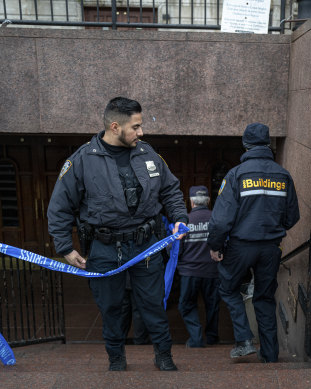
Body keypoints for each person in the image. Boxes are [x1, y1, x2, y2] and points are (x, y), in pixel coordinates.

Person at [47, 96, 188, 372]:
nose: (141, 132)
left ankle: (164, 356)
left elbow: (170, 191)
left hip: (146, 245)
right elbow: (60, 207)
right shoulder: (83, 160)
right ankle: (116, 360)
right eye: (135, 127)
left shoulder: (149, 154)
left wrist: (179, 219)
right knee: (111, 308)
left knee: (153, 306)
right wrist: (65, 247)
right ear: (115, 126)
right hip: (104, 248)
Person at [207, 122, 300, 363]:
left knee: (227, 288)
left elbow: (219, 221)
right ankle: (269, 355)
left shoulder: (236, 175)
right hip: (271, 248)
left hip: (240, 246)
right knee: (265, 297)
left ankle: (244, 339)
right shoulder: (283, 175)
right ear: (268, 144)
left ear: (246, 145)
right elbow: (292, 217)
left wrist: (215, 246)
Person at [177, 185, 220, 348]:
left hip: (190, 272)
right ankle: (212, 337)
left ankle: (196, 338)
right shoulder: (216, 219)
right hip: (212, 271)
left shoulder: (184, 222)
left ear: (191, 202)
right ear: (208, 201)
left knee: (186, 304)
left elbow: (177, 250)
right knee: (213, 305)